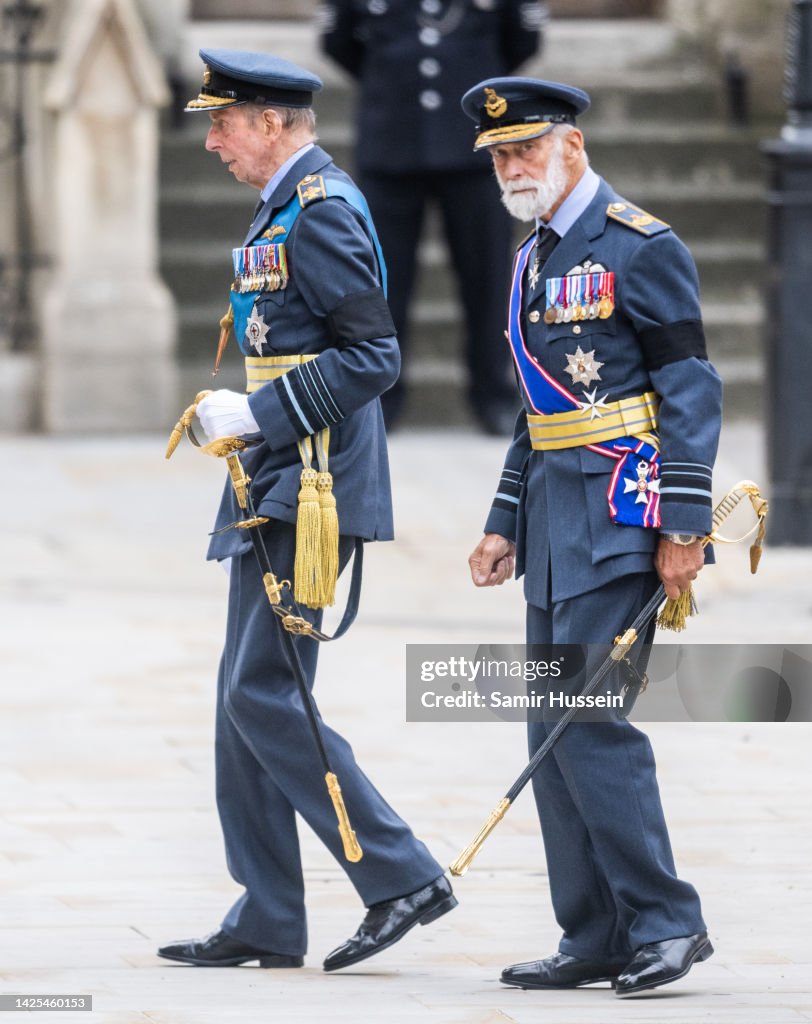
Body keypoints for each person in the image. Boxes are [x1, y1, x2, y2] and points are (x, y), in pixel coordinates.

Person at [158, 48, 456, 974]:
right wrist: (250, 417)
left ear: (276, 124)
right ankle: (268, 912)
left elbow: (374, 355)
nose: (212, 142)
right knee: (240, 698)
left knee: (263, 691)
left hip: (311, 482)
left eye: (225, 124)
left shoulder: (321, 209)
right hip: (272, 474)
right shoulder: (286, 201)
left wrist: (261, 411)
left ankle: (400, 873)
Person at [462, 77, 722, 996]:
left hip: (622, 514)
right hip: (551, 527)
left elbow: (691, 386)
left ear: (570, 145)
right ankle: (596, 931)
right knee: (549, 722)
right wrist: (503, 520)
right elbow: (540, 411)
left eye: (525, 149)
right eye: (499, 156)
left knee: (591, 722)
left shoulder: (640, 246)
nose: (511, 168)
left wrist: (684, 524)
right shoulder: (535, 252)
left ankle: (666, 922)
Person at [319, 0, 546, 434]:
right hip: (390, 141)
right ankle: (379, 400)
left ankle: (494, 395)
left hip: (474, 144)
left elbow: (522, 38)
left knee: (488, 279)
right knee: (381, 283)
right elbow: (338, 41)